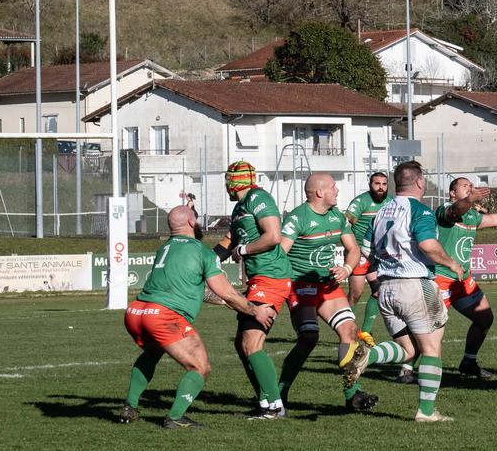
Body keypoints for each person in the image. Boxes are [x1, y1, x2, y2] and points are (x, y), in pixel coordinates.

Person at [119, 206, 276, 429]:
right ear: (192, 223)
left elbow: (197, 289)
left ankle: (130, 406)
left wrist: (226, 303)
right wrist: (255, 310)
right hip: (163, 316)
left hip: (136, 312)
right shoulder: (202, 251)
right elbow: (227, 292)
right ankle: (175, 417)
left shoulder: (165, 248)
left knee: (152, 352)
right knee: (200, 367)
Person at [355, 161, 465, 423]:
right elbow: (427, 245)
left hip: (386, 288)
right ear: (418, 182)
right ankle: (426, 412)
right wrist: (451, 263)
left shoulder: (380, 212)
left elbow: (367, 250)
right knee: (431, 349)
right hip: (414, 284)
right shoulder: (420, 211)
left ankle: (369, 355)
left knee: (408, 350)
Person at [276, 173, 374, 412]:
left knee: (350, 332)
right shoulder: (297, 218)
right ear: (320, 192)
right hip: (301, 286)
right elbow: (279, 255)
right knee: (309, 338)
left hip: (328, 286)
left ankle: (352, 395)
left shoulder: (336, 216)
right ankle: (278, 395)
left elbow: (353, 248)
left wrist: (347, 268)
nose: (337, 191)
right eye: (333, 187)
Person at [435, 178, 497, 380]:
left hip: (462, 280)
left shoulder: (472, 215)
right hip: (440, 278)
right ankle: (407, 368)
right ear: (452, 193)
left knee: (484, 318)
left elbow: (495, 219)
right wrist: (471, 199)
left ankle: (468, 362)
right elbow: (455, 212)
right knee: (431, 329)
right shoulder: (445, 210)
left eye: (472, 187)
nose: (471, 189)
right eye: (465, 186)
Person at [224, 160, 297, 419]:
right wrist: (206, 260)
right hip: (259, 279)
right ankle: (265, 400)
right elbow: (230, 241)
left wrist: (242, 251)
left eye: (228, 179)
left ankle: (274, 406)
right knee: (242, 344)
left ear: (233, 181)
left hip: (271, 277)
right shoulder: (239, 208)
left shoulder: (259, 197)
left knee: (251, 343)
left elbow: (273, 236)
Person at [343, 172, 392, 347]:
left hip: (376, 255)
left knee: (379, 292)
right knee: (355, 294)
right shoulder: (361, 201)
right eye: (377, 183)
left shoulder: (390, 203)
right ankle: (344, 328)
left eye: (384, 184)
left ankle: (364, 331)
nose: (381, 187)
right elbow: (346, 222)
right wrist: (353, 247)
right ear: (370, 185)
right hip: (358, 253)